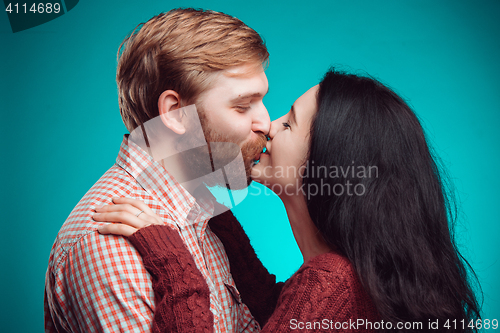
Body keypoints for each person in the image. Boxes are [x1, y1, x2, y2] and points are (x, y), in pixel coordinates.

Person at [96, 69, 482, 332]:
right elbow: (277, 311)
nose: (268, 124)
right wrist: (212, 209)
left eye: (290, 123)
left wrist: (173, 262)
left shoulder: (331, 285)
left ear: (326, 162)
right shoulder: (347, 282)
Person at [44, 8, 271, 332]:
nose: (265, 122)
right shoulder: (109, 245)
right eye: (241, 105)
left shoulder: (205, 220)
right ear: (176, 113)